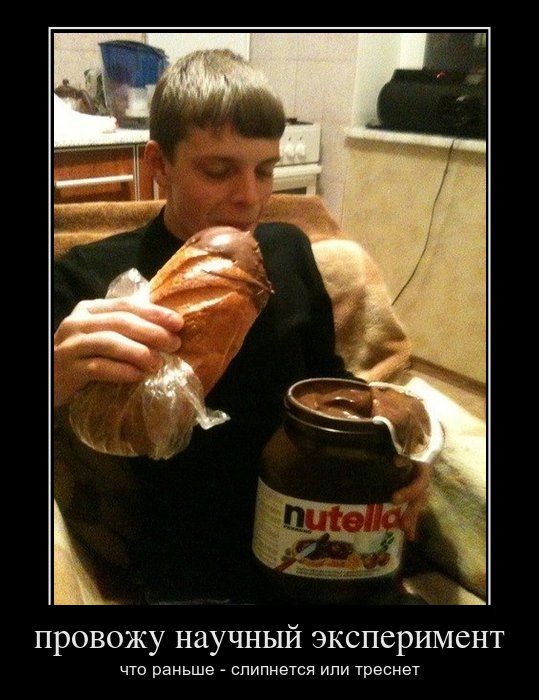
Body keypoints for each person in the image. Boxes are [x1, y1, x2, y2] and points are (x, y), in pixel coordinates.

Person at [54, 49, 430, 604]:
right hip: (192, 569)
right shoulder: (89, 278)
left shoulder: (288, 250)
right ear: (160, 163)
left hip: (323, 535)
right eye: (219, 170)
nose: (249, 197)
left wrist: (399, 451)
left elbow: (328, 381)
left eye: (265, 169)